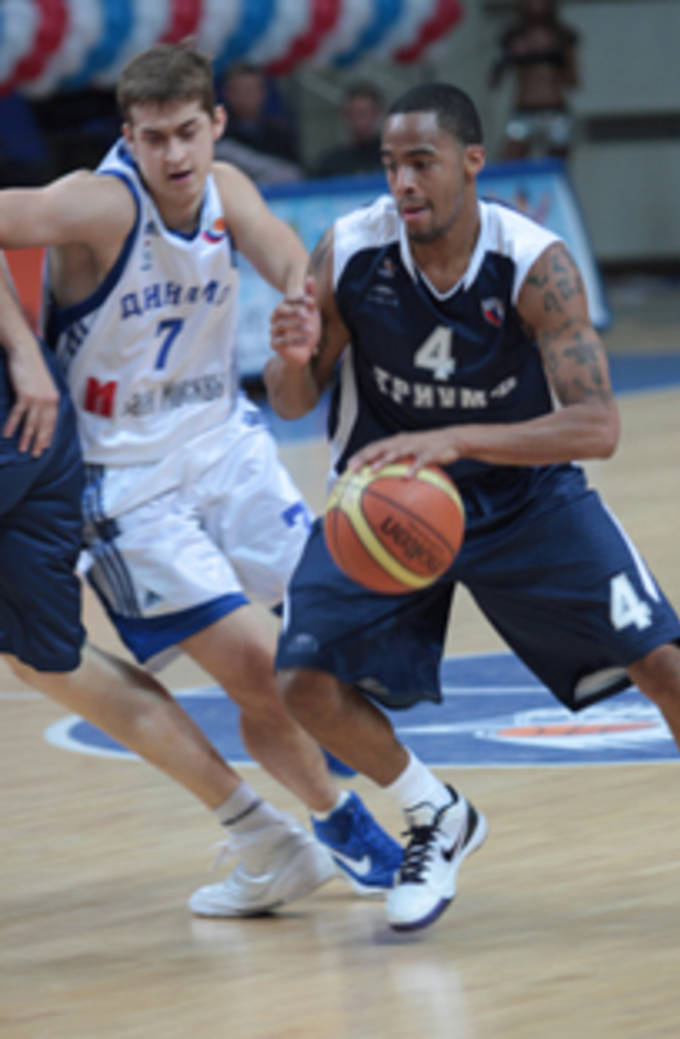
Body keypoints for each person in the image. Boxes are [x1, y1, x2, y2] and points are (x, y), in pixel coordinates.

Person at [267, 82, 680, 934]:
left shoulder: (534, 264)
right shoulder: (349, 251)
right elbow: (295, 399)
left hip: (523, 499)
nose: (402, 182)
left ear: (472, 162)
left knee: (661, 663)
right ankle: (433, 812)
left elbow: (597, 426)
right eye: (389, 165)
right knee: (301, 682)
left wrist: (456, 438)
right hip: (386, 503)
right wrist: (290, 358)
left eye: (421, 162)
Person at [0, 43, 402, 916]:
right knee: (260, 671)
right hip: (128, 481)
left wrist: (300, 301)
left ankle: (338, 778)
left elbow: (286, 256)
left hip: (225, 447)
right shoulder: (100, 203)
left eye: (188, 132)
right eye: (154, 138)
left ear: (217, 123)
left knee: (338, 634)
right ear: (128, 139)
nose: (175, 154)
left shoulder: (228, 188)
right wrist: (24, 352)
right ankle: (344, 826)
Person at [0, 250, 335, 916]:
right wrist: (24, 350)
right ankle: (264, 834)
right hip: (36, 414)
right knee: (45, 658)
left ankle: (378, 796)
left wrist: (22, 349)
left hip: (30, 418)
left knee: (53, 658)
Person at [489, 0, 580, 161]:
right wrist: (510, 55)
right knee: (509, 160)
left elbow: (573, 80)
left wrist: (552, 54)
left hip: (554, 110)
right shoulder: (513, 36)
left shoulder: (561, 36)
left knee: (557, 165)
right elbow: (494, 80)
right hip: (524, 110)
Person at [215, 62, 302, 185]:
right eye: (237, 90)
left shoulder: (280, 132)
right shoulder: (217, 133)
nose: (243, 97)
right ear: (226, 93)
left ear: (263, 92)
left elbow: (294, 173)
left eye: (249, 90)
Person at [313, 81, 385, 179]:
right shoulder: (330, 164)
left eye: (363, 114)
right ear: (344, 116)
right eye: (351, 114)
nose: (358, 121)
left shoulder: (393, 159)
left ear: (377, 114)